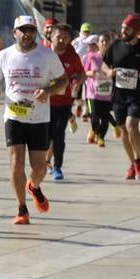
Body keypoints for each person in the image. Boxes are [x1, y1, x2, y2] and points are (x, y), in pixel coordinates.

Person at [0, 16, 66, 224]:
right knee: (16, 163)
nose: (27, 33)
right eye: (22, 30)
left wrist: (48, 90)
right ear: (15, 33)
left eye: (31, 30)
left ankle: (33, 186)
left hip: (39, 118)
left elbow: (63, 80)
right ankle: (22, 209)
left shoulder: (47, 55)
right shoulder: (4, 56)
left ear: (36, 33)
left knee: (39, 167)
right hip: (14, 116)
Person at [104, 14, 140, 179]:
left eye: (127, 29)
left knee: (131, 124)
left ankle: (138, 161)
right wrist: (108, 72)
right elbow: (104, 63)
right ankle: (133, 163)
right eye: (122, 28)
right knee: (123, 131)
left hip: (138, 93)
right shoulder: (115, 45)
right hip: (119, 95)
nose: (123, 31)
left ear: (136, 30)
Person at [44, 24, 85, 180]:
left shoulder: (72, 55)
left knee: (59, 136)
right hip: (43, 102)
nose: (61, 40)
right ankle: (42, 163)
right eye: (58, 36)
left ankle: (57, 167)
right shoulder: (42, 52)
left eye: (65, 37)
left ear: (69, 39)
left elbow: (82, 74)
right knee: (44, 138)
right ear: (51, 37)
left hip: (63, 103)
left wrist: (77, 81)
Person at [82, 32, 112, 148]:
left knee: (105, 118)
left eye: (106, 41)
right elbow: (84, 72)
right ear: (98, 44)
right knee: (94, 117)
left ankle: (101, 137)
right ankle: (95, 130)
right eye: (102, 41)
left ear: (110, 43)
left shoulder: (113, 58)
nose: (104, 43)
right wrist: (92, 73)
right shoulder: (92, 57)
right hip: (93, 92)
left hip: (107, 93)